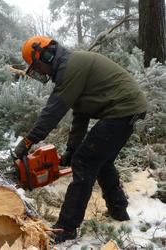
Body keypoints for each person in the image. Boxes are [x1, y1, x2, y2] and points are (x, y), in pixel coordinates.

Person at [13, 35, 147, 243]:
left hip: (121, 110)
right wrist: (71, 148)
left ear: (45, 56)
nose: (39, 71)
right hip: (127, 110)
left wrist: (27, 143)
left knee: (84, 162)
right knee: (101, 161)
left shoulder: (70, 68)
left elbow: (52, 112)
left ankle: (65, 228)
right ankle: (118, 210)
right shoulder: (70, 65)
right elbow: (80, 114)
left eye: (37, 67)